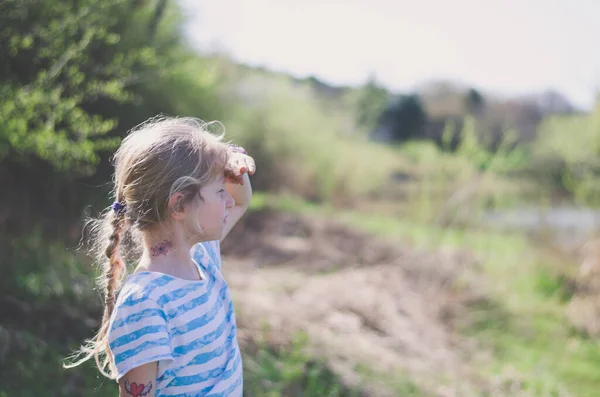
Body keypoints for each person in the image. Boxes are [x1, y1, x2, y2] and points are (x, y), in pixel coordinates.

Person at [64, 116, 256, 397]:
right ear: (179, 205)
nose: (229, 198)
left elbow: (241, 200)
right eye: (219, 190)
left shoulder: (203, 256)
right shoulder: (145, 305)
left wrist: (231, 163)